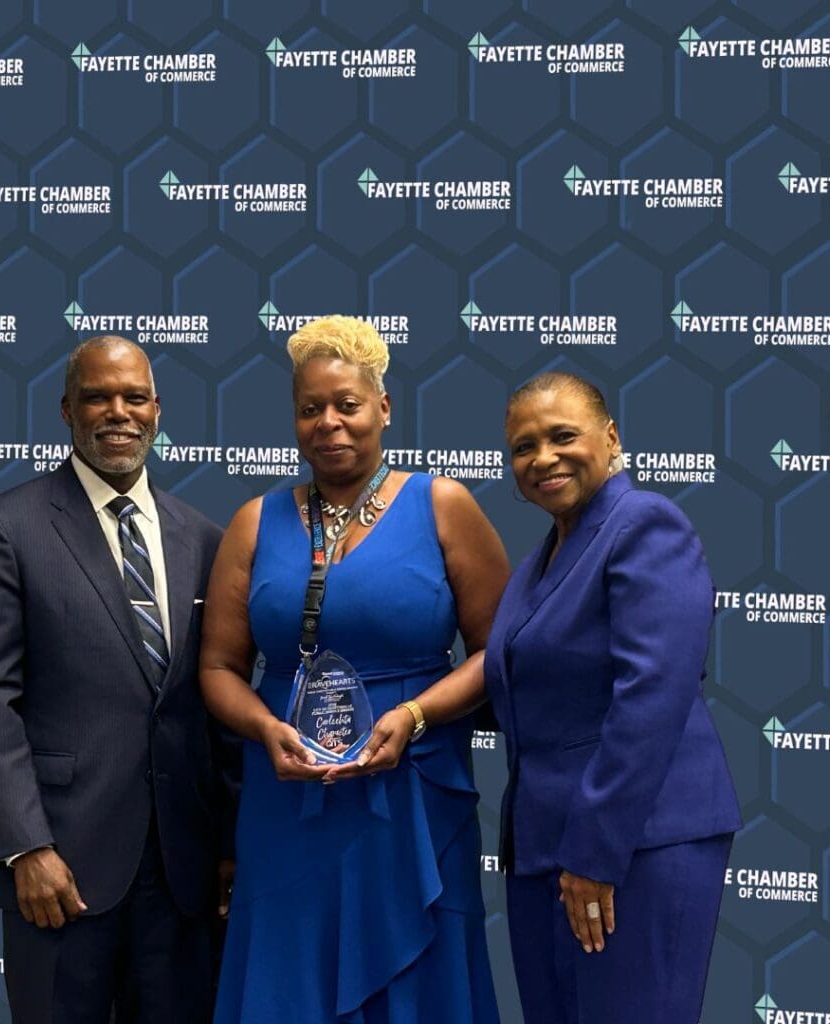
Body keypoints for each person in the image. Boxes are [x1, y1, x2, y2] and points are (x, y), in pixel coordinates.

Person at [200, 315, 510, 1023]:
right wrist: (264, 728)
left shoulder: (442, 505)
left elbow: (498, 653)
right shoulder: (255, 521)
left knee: (419, 984)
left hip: (412, 792)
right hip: (287, 799)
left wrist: (416, 715)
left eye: (347, 404)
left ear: (384, 408)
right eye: (311, 409)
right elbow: (217, 667)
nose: (329, 423)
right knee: (289, 979)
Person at [0, 336, 235, 1024]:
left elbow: (215, 703)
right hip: (60, 871)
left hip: (182, 877)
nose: (118, 412)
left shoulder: (204, 538)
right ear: (66, 409)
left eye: (134, 397)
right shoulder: (4, 527)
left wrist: (229, 845)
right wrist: (25, 846)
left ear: (157, 409)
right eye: (97, 397)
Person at [485, 372, 742, 1024]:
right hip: (544, 852)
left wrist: (594, 854)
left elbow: (651, 695)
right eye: (523, 447)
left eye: (562, 436)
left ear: (611, 437)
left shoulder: (644, 525)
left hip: (633, 848)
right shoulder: (546, 555)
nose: (543, 458)